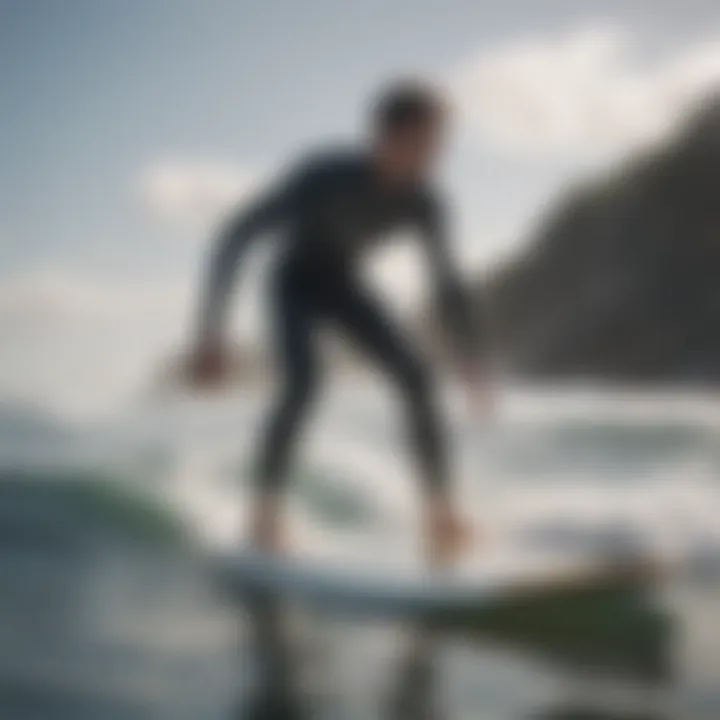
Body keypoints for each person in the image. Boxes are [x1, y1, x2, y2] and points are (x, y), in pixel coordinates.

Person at [187, 79, 492, 565]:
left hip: (344, 281)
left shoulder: (425, 202)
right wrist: (210, 331)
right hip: (293, 282)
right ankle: (264, 513)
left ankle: (440, 514)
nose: (435, 156)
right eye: (426, 143)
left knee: (417, 377)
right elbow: (236, 235)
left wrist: (471, 357)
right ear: (386, 137)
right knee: (305, 384)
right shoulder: (321, 178)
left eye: (439, 145)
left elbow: (446, 282)